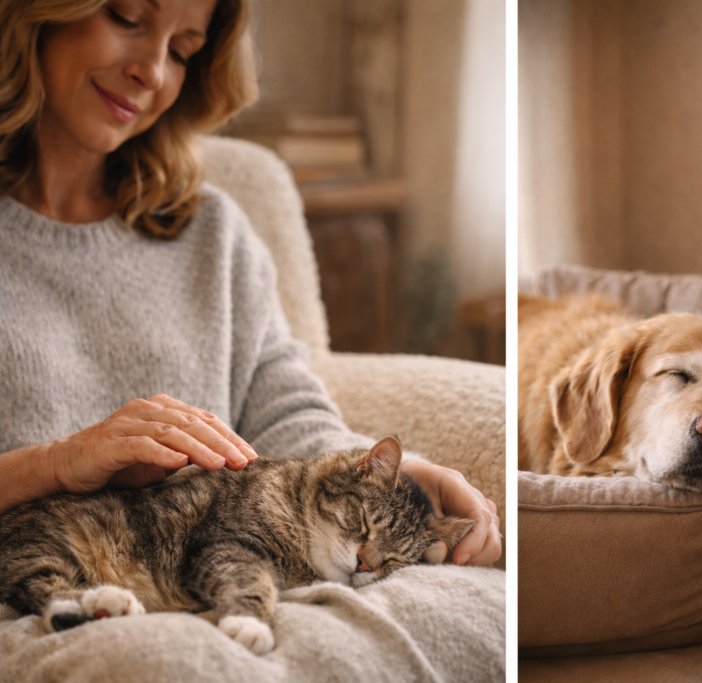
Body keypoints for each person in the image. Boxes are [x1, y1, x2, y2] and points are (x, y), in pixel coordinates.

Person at [0, 0, 501, 569]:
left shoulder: (213, 232)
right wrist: (53, 464)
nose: (154, 73)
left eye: (182, 51)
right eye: (126, 17)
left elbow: (284, 413)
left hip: (207, 578)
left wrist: (403, 482)